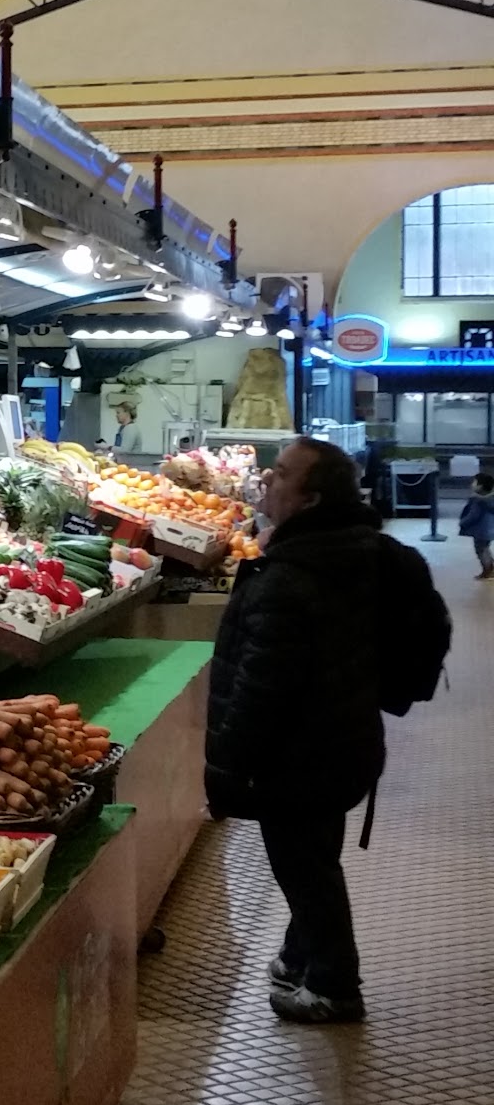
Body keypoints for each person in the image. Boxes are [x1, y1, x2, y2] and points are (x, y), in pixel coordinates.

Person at [206, 437, 391, 1026]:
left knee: (306, 871)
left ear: (309, 499)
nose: (266, 479)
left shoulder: (291, 575)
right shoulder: (351, 551)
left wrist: (227, 768)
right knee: (315, 859)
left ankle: (336, 985)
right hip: (342, 743)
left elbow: (263, 687)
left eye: (280, 474)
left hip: (299, 757)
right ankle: (298, 955)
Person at [458, 472, 494, 579]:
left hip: (480, 530)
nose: (472, 484)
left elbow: (473, 516)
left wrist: (463, 523)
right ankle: (490, 568)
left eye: (474, 482)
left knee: (480, 550)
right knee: (485, 548)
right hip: (489, 529)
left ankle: (488, 570)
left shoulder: (477, 500)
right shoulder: (491, 499)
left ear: (480, 486)